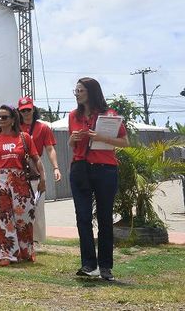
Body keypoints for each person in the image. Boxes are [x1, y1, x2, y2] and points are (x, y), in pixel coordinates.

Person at [68, 77, 128, 282]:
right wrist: (71, 139)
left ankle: (105, 266)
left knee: (104, 218)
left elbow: (125, 142)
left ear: (92, 92)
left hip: (105, 168)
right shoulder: (72, 116)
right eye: (75, 90)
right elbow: (72, 145)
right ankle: (88, 264)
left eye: (81, 90)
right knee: (82, 217)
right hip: (80, 168)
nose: (77, 93)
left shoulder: (109, 115)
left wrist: (103, 138)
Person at [0, 105, 45, 266]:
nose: (1, 120)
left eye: (4, 117)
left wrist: (43, 179)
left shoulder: (24, 138)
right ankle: (5, 253)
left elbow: (36, 159)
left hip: (20, 181)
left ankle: (25, 251)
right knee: (1, 218)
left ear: (13, 119)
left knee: (24, 217)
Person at [17, 96, 61, 246]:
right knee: (18, 207)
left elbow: (50, 148)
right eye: (23, 111)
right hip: (17, 171)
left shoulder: (43, 128)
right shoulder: (15, 128)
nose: (26, 113)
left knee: (37, 207)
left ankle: (36, 240)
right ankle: (21, 238)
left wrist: (56, 167)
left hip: (35, 172)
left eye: (28, 109)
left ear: (33, 109)